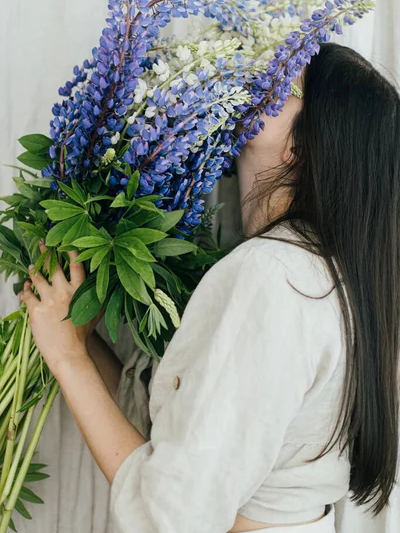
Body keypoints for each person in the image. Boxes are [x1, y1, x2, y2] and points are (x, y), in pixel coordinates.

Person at [19, 41, 400, 533]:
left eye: (289, 83)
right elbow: (173, 443)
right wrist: (81, 338)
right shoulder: (327, 276)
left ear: (300, 146)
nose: (263, 81)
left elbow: (170, 517)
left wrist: (67, 356)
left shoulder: (272, 276)